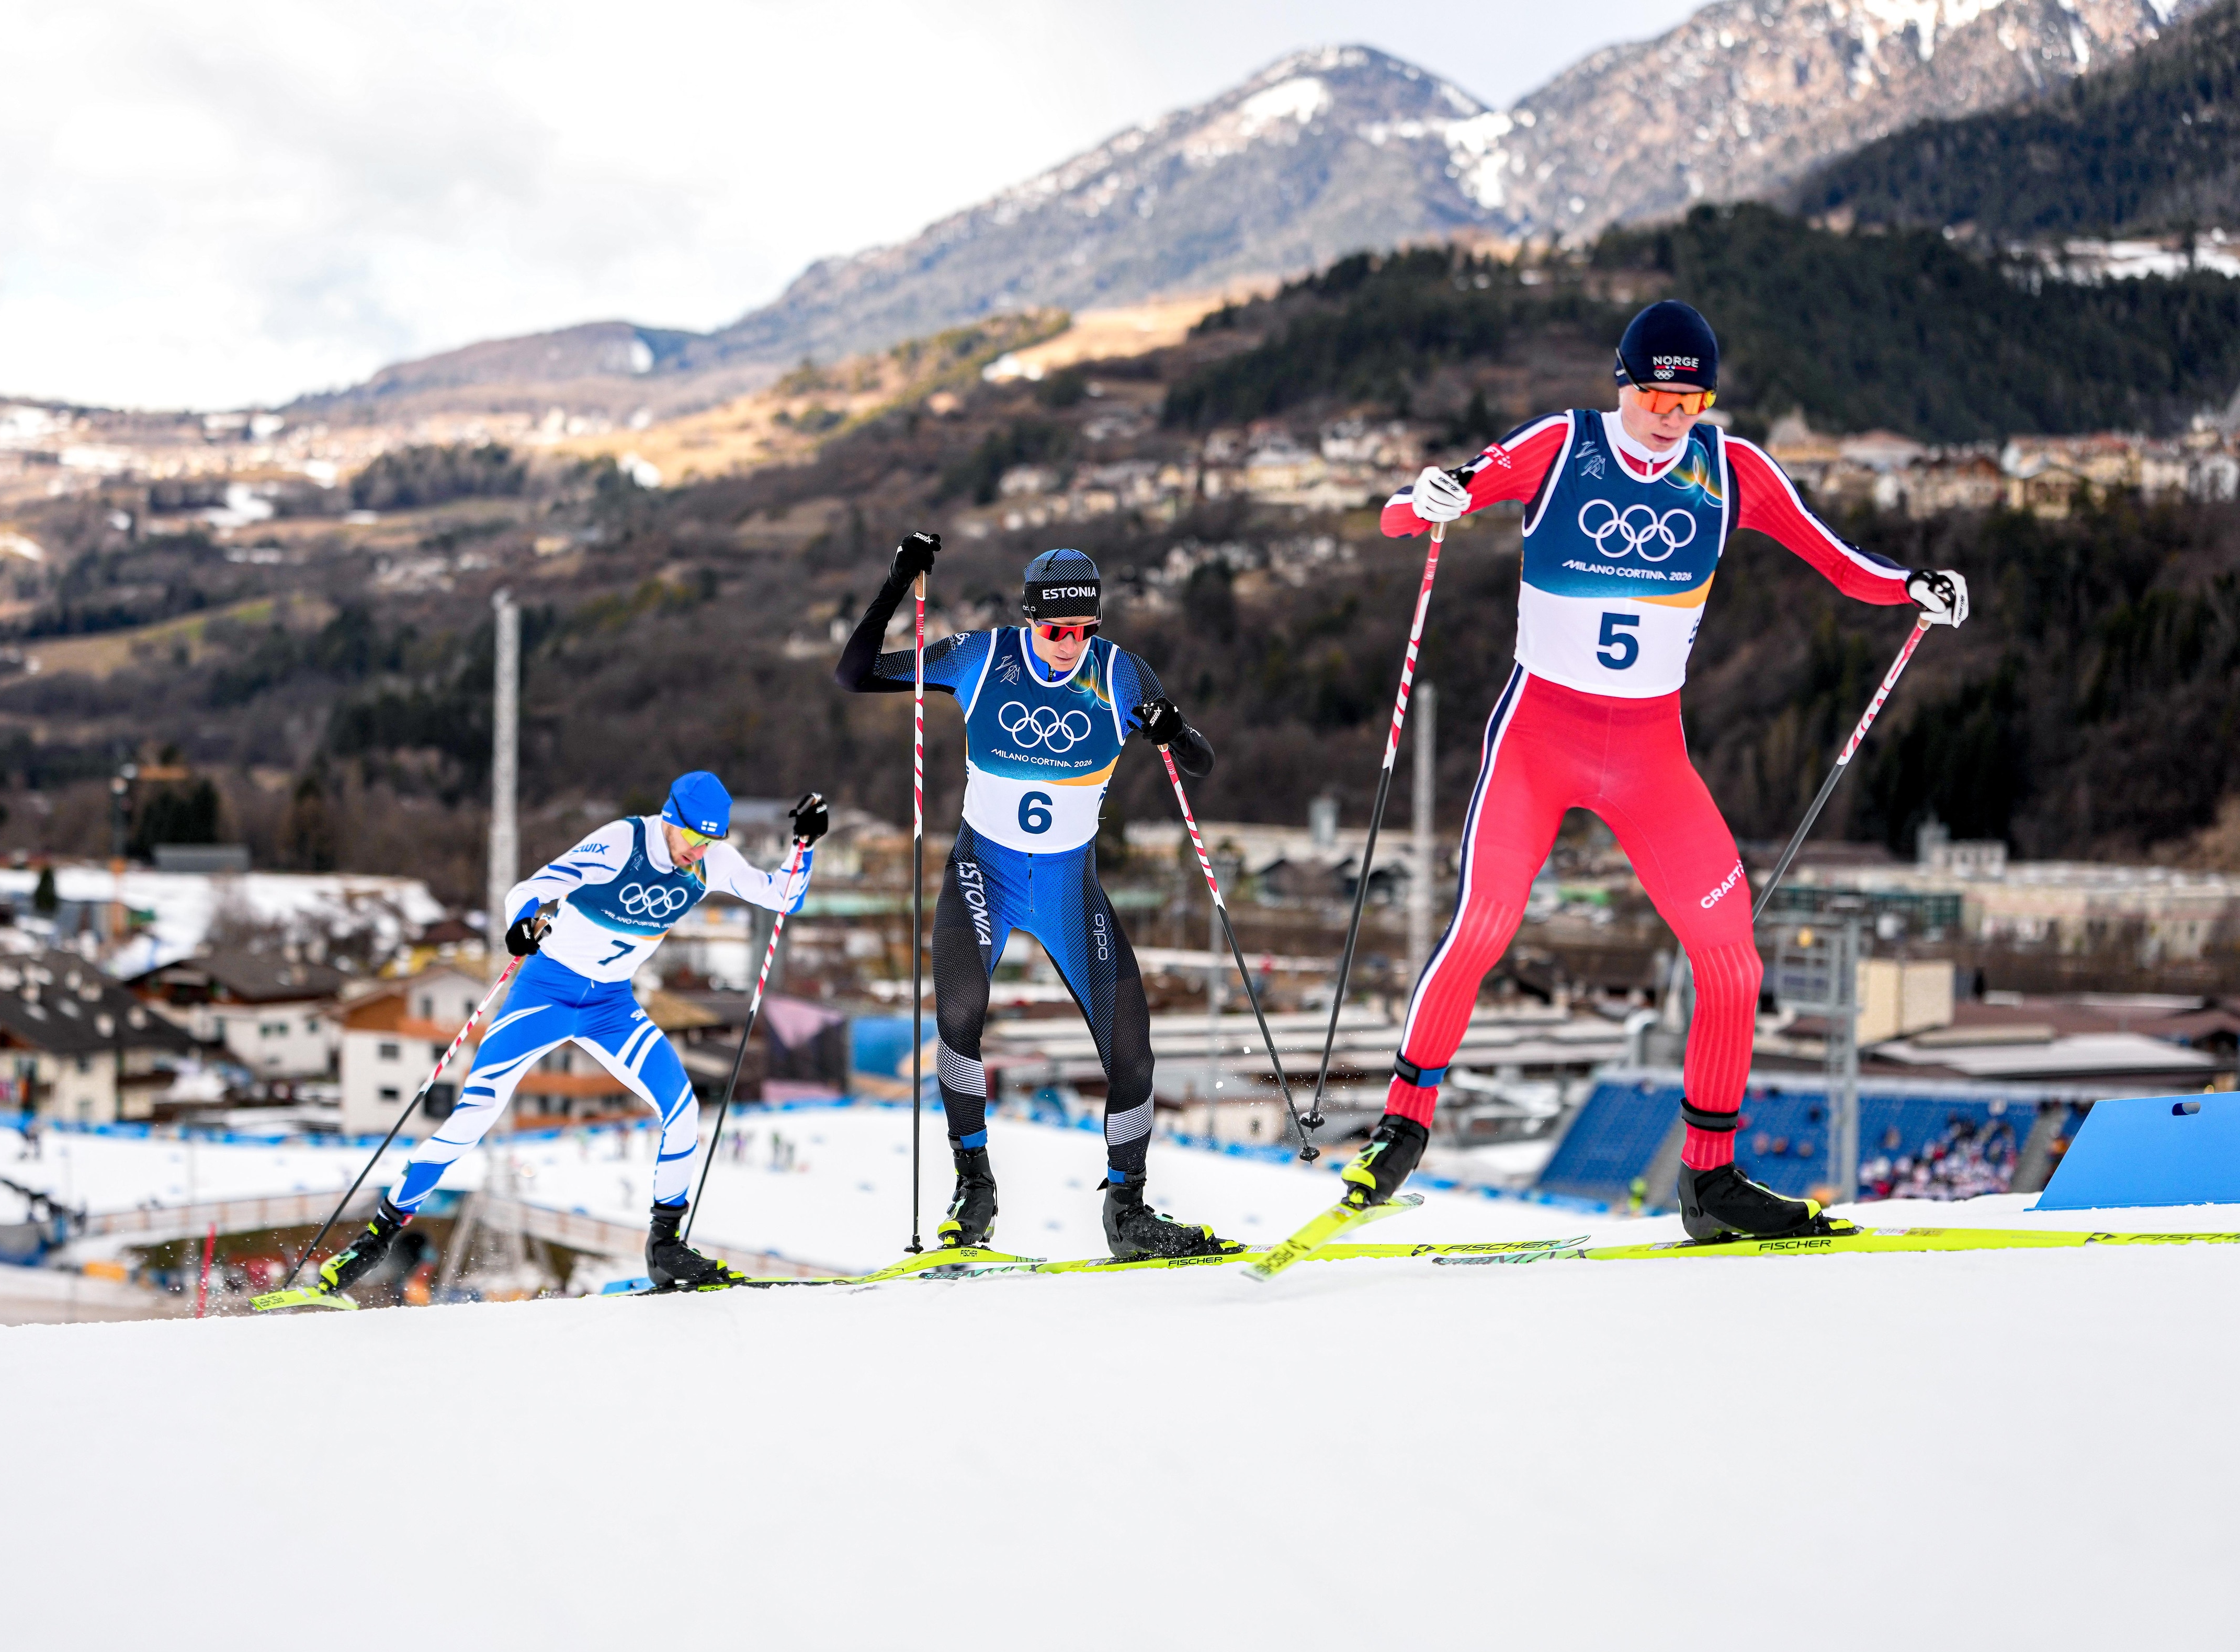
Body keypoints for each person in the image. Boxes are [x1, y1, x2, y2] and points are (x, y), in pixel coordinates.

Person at [1354, 299, 1969, 1240]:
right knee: (1483, 922)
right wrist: (1422, 501)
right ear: (1623, 383)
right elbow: (1418, 509)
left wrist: (1912, 587)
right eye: (1653, 394)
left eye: (1691, 399)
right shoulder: (1563, 445)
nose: (1671, 415)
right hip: (1539, 737)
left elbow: (1839, 561)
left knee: (1731, 959)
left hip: (1649, 754)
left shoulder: (1733, 470)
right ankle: (1400, 1127)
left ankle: (1711, 1181)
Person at [834, 537, 1239, 1260]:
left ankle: (1129, 1211)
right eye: (1055, 631)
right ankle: (975, 1186)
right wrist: (899, 579)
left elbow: (1200, 761)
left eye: (1084, 630)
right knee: (958, 1019)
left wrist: (1175, 730)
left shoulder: (1120, 674)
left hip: (1067, 888)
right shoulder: (979, 658)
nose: (1068, 646)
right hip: (981, 876)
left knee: (1133, 1055)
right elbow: (853, 673)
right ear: (1030, 620)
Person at [313, 773, 827, 1294]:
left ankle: (665, 1245)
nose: (698, 852)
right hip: (545, 996)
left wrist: (803, 845)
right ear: (670, 819)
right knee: (475, 1113)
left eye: (709, 842)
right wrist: (522, 923)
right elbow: (532, 890)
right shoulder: (620, 843)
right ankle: (379, 1234)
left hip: (611, 1005)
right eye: (692, 838)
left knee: (683, 1110)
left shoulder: (711, 861)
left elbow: (781, 898)